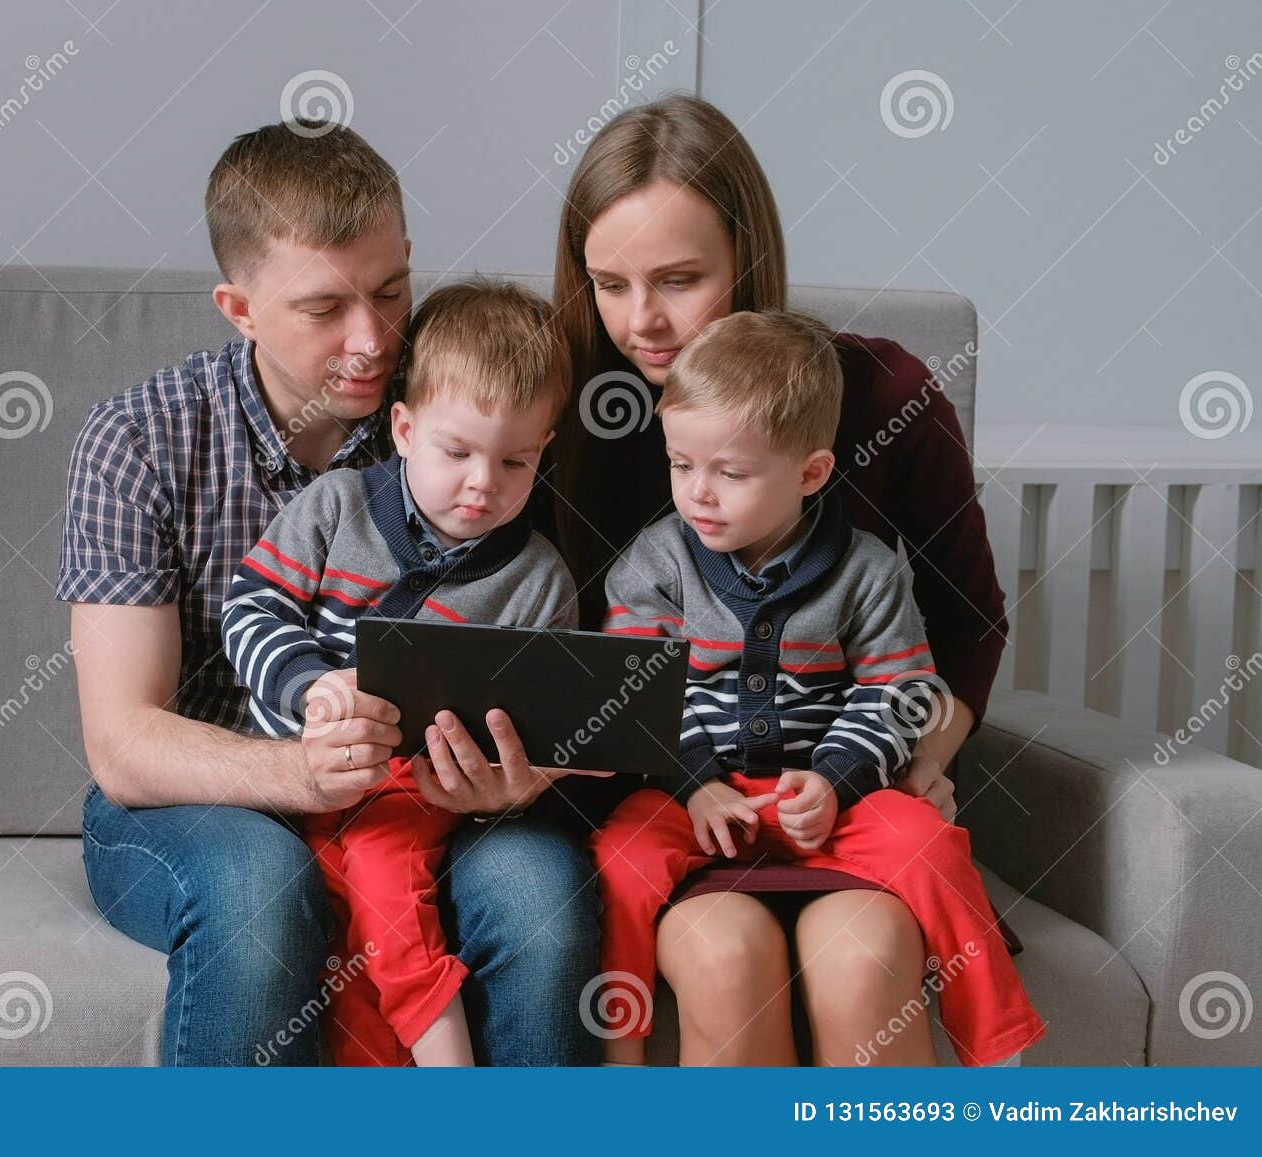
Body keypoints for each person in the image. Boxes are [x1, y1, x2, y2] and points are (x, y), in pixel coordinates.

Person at [57, 121, 599, 1066]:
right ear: (240, 307)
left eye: (392, 290)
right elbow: (124, 745)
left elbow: (559, 668)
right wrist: (304, 769)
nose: (373, 338)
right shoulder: (136, 442)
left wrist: (522, 780)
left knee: (542, 902)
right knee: (265, 898)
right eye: (323, 307)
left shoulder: (460, 412)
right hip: (203, 798)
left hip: (422, 798)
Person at [545, 94, 1011, 1065]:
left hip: (839, 791)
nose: (645, 321)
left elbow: (964, 626)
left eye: (680, 279)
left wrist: (912, 758)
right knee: (721, 957)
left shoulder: (878, 397)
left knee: (862, 956)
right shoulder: (559, 409)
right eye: (611, 283)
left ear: (747, 259)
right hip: (676, 799)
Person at [590, 311, 1044, 1067]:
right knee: (617, 856)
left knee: (931, 844)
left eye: (730, 473)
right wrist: (697, 784)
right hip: (694, 796)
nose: (698, 494)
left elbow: (898, 690)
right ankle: (618, 1054)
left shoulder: (866, 569)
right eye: (680, 465)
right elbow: (639, 687)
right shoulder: (656, 562)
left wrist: (834, 780)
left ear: (810, 472)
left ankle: (995, 1048)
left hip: (834, 799)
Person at [221, 280, 579, 1066]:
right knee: (336, 943)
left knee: (385, 879)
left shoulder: (539, 578)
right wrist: (310, 685)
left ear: (542, 451)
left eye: (514, 460)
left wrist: (512, 773)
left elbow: (551, 723)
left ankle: (448, 1067)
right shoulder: (334, 508)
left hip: (417, 794)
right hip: (296, 786)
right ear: (406, 430)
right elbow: (250, 609)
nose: (483, 483)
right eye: (458, 453)